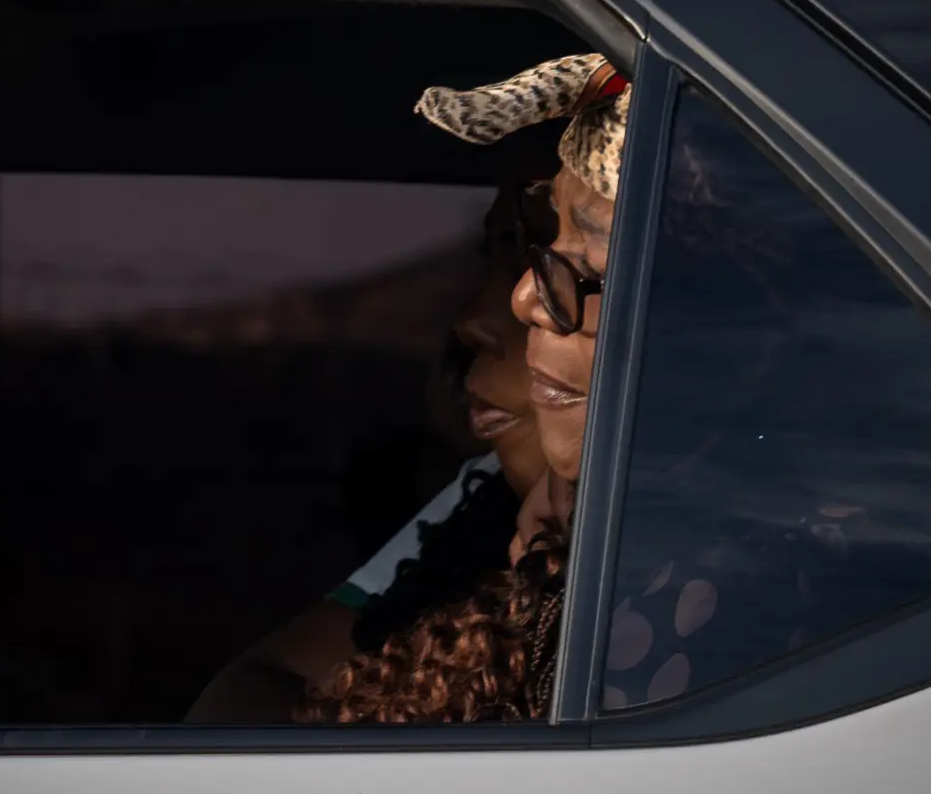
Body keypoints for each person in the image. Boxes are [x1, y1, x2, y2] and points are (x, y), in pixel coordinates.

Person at [300, 52, 627, 723]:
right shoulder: (500, 512)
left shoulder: (716, 588)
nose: (519, 299)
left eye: (585, 259)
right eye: (518, 254)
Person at [184, 178, 556, 723]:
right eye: (495, 262)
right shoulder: (483, 498)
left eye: (540, 263)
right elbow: (247, 694)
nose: (472, 321)